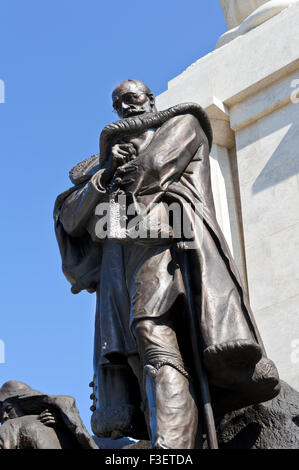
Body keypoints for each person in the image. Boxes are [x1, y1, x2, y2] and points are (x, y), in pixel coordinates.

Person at [54, 79, 280, 449]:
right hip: (117, 270)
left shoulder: (182, 123)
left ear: (150, 99)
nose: (125, 107)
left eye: (132, 98)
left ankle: (171, 448)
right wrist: (104, 174)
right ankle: (169, 436)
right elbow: (69, 217)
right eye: (117, 104)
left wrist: (116, 173)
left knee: (153, 337)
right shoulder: (109, 160)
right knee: (132, 358)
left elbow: (152, 170)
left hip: (161, 252)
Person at [0, 381, 98, 449]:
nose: (4, 416)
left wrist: (62, 422)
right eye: (0, 414)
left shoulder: (10, 427)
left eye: (8, 409)